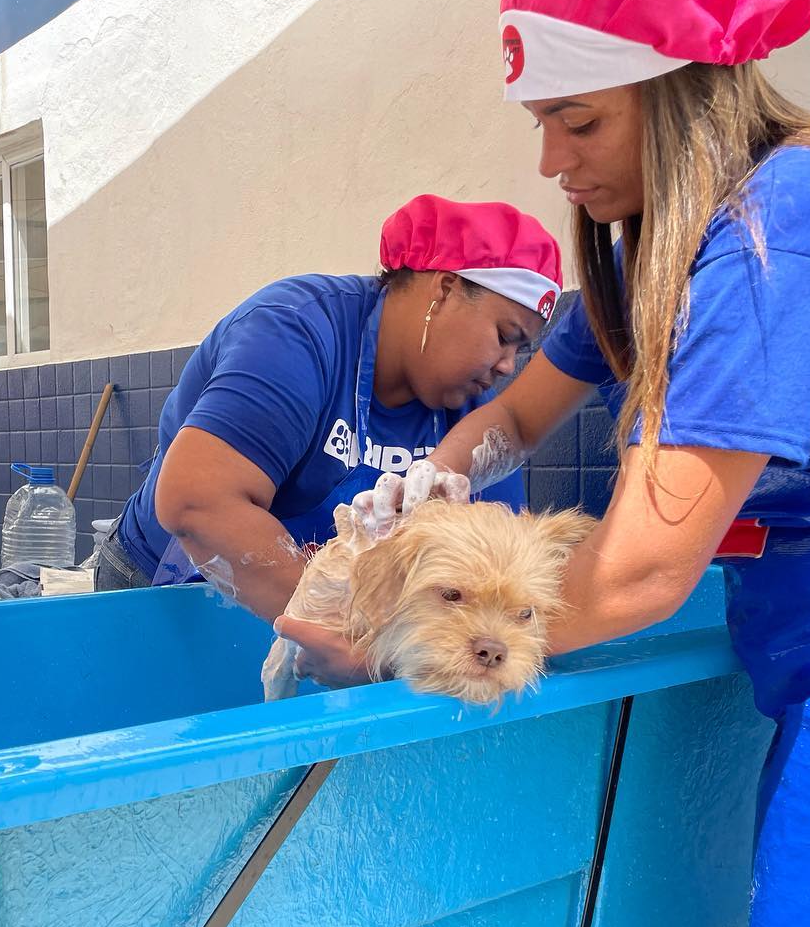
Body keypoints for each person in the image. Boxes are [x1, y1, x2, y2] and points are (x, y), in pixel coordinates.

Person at [279, 0, 810, 927]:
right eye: (540, 123)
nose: (552, 160)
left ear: (687, 96)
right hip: (807, 596)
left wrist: (388, 641)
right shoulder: (658, 249)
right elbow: (509, 416)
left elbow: (641, 572)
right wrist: (430, 490)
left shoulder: (782, 230)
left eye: (580, 119)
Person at [95, 194, 563, 624]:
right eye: (505, 337)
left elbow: (498, 561)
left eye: (520, 353)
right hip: (171, 586)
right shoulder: (296, 333)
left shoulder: (472, 411)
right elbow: (198, 502)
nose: (507, 366)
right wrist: (350, 634)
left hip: (334, 606)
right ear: (442, 291)